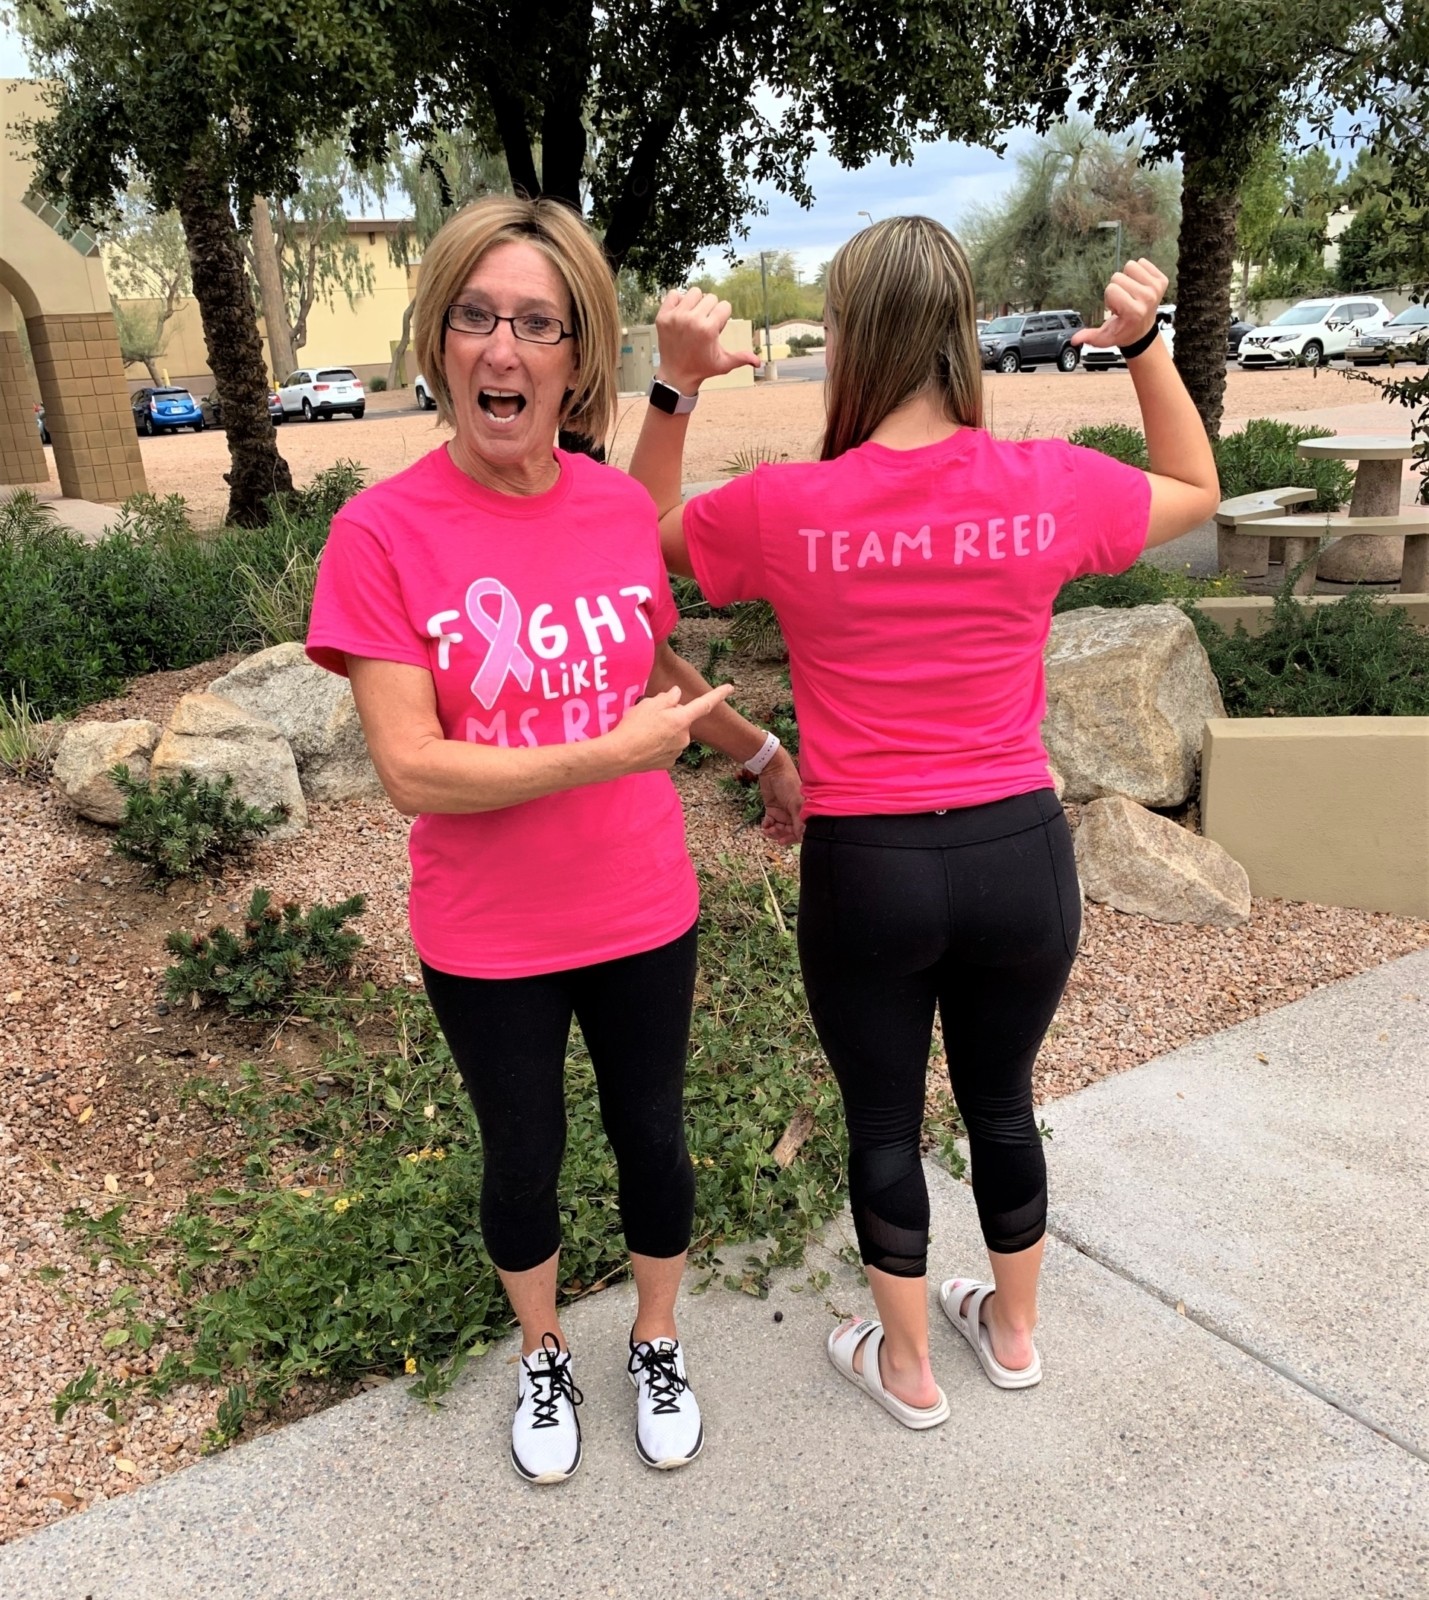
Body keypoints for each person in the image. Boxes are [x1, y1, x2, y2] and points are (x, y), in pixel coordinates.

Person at [627, 218, 1218, 1428]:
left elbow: (629, 558)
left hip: (872, 864)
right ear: (957, 335)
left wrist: (675, 387)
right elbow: (1197, 490)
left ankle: (904, 1370)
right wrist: (1145, 345)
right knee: (1000, 1101)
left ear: (845, 339)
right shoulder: (1046, 487)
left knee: (884, 1120)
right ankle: (1011, 1335)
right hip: (1017, 853)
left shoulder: (787, 506)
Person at [304, 194, 802, 1482]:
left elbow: (643, 652)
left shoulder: (605, 506)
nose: (500, 350)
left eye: (534, 322)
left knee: (653, 1132)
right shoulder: (380, 534)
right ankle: (542, 1352)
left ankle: (651, 1335)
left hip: (641, 904)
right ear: (439, 339)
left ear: (575, 356)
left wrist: (748, 746)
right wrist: (608, 753)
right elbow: (411, 767)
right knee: (522, 1152)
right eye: (474, 317)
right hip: (488, 933)